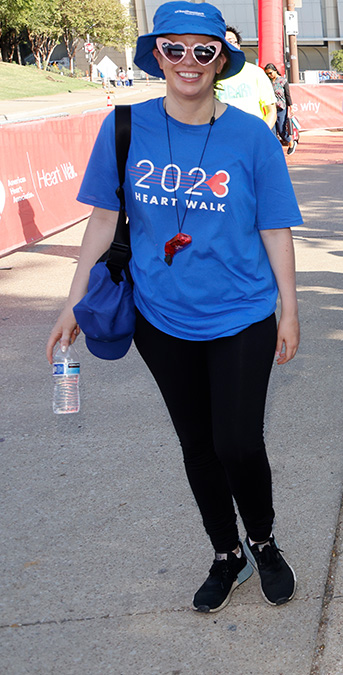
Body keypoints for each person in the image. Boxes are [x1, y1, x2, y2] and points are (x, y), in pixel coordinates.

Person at [47, 1, 302, 615]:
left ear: (221, 60)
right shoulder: (124, 127)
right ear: (155, 55)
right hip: (161, 319)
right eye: (174, 48)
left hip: (242, 313)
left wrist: (289, 310)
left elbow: (275, 229)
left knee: (238, 442)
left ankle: (263, 540)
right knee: (197, 444)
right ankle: (226, 553)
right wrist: (74, 302)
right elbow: (103, 219)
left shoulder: (251, 136)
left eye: (204, 50)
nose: (189, 61)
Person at [215, 25, 276, 129]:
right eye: (224, 42)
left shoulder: (256, 72)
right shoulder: (212, 74)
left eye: (231, 41)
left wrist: (261, 134)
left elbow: (271, 111)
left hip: (252, 135)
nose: (227, 45)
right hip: (223, 136)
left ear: (238, 46)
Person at [263, 63, 296, 155]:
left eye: (270, 73)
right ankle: (275, 151)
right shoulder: (268, 82)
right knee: (272, 131)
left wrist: (291, 107)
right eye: (267, 74)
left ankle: (291, 142)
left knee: (281, 130)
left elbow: (287, 95)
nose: (269, 75)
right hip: (271, 109)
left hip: (281, 108)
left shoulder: (283, 81)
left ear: (275, 71)